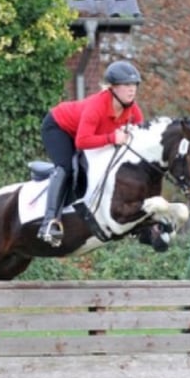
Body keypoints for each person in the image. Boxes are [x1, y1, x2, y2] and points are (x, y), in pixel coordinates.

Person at [37, 60, 144, 246]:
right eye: (126, 85)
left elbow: (139, 141)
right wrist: (112, 138)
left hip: (82, 133)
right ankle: (49, 222)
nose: (132, 89)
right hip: (58, 126)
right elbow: (82, 141)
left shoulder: (134, 111)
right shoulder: (97, 106)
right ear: (112, 88)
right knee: (66, 168)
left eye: (134, 84)